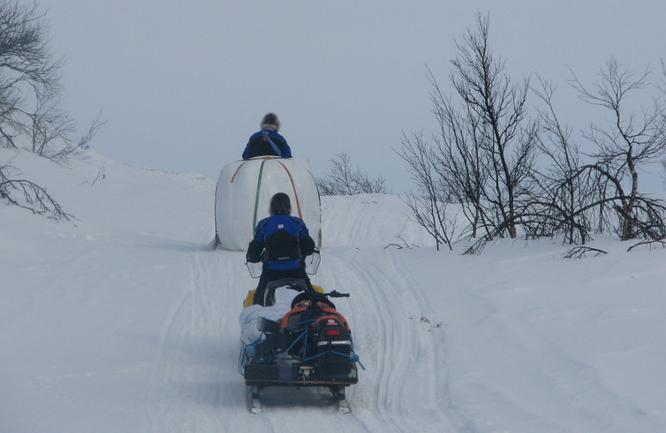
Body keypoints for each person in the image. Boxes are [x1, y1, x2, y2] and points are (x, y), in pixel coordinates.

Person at [247, 193, 316, 305]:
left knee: (258, 301)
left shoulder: (264, 224)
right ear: (289, 207)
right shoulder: (297, 223)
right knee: (314, 297)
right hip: (296, 271)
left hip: (271, 273)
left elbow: (253, 253)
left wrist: (256, 257)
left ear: (271, 208)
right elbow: (309, 247)